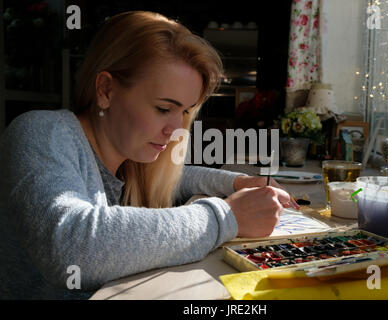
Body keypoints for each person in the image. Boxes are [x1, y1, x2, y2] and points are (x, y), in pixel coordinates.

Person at [0, 11, 298, 299]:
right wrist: (228, 217)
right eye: (163, 108)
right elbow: (70, 247)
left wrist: (239, 183)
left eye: (183, 111)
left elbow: (179, 179)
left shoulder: (126, 158)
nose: (175, 128)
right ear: (105, 90)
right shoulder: (41, 132)